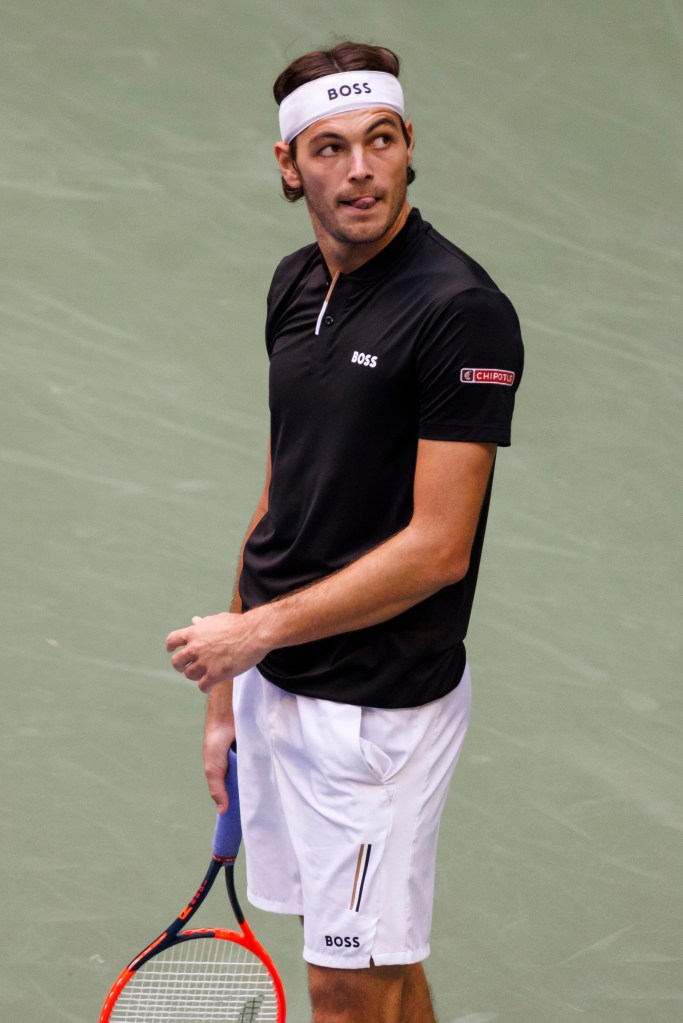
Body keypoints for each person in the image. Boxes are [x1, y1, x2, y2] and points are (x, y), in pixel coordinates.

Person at [166, 41, 523, 1023]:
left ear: (408, 147)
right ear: (289, 167)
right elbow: (285, 487)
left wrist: (252, 635)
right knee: (378, 967)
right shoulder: (293, 285)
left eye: (379, 141)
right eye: (328, 148)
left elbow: (437, 545)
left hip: (377, 713)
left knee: (342, 986)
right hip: (281, 686)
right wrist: (233, 689)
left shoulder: (459, 313)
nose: (358, 169)